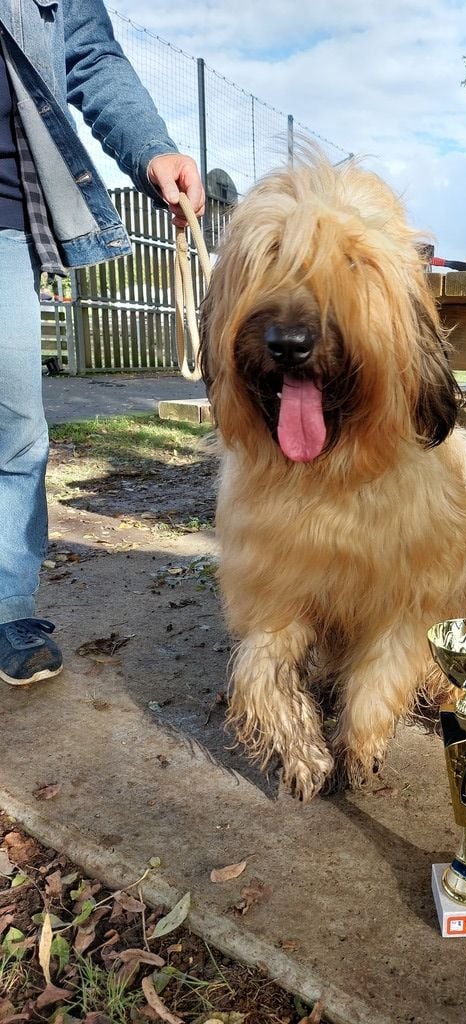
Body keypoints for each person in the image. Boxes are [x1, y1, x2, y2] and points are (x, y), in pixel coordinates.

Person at [0, 1, 205, 686]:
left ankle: (7, 607)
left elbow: (89, 52)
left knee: (16, 427)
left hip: (4, 212)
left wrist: (152, 147)